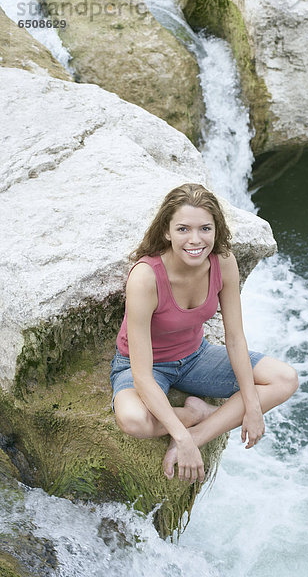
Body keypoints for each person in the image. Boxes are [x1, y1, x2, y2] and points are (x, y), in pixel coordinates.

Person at [110, 183, 298, 485]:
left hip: (196, 357)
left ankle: (201, 430)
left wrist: (252, 406)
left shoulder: (223, 262)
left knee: (285, 378)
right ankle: (194, 415)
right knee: (133, 420)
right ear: (167, 231)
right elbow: (142, 376)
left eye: (205, 229)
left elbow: (235, 338)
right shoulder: (145, 277)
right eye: (183, 229)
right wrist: (179, 436)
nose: (195, 240)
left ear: (216, 229)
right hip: (144, 366)